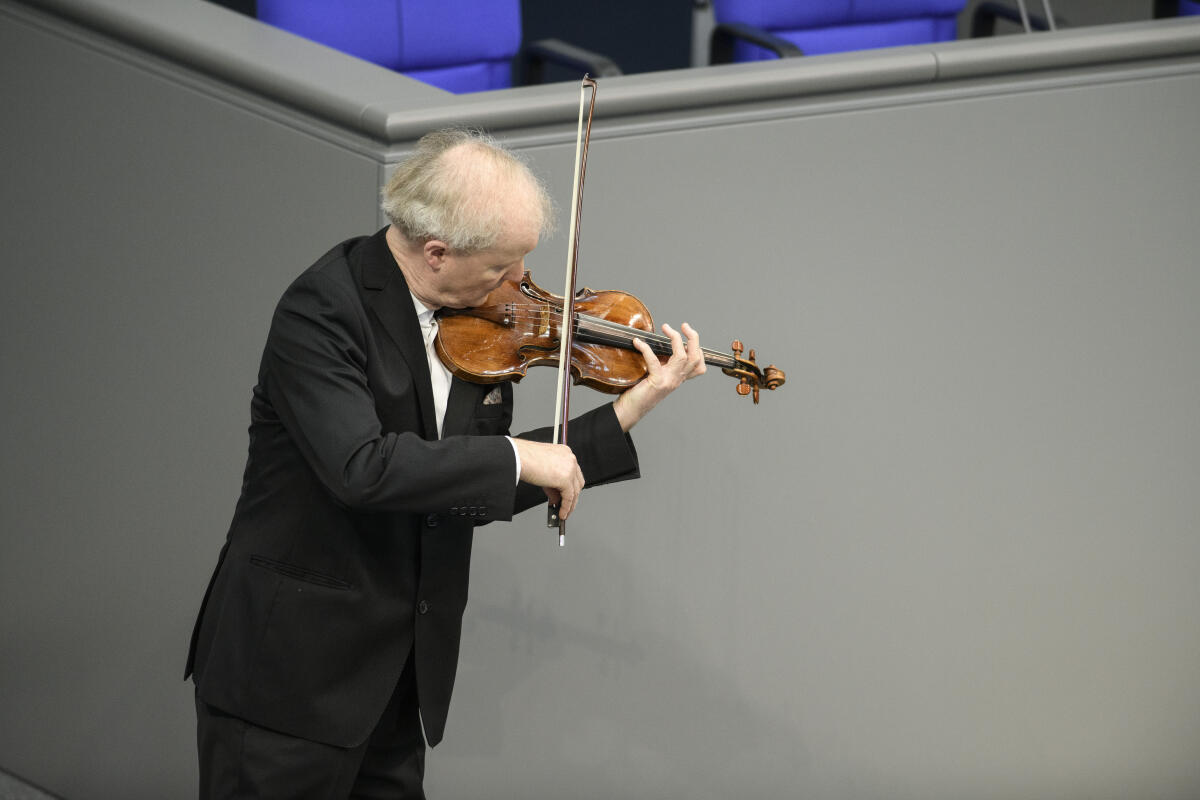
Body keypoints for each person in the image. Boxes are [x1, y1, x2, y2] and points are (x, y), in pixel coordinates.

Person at [185, 128, 704, 798]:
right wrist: (515, 455)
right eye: (499, 268)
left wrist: (635, 405)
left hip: (398, 681)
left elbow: (467, 485)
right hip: (289, 682)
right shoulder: (321, 310)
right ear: (436, 252)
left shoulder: (483, 327)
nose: (518, 285)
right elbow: (363, 469)